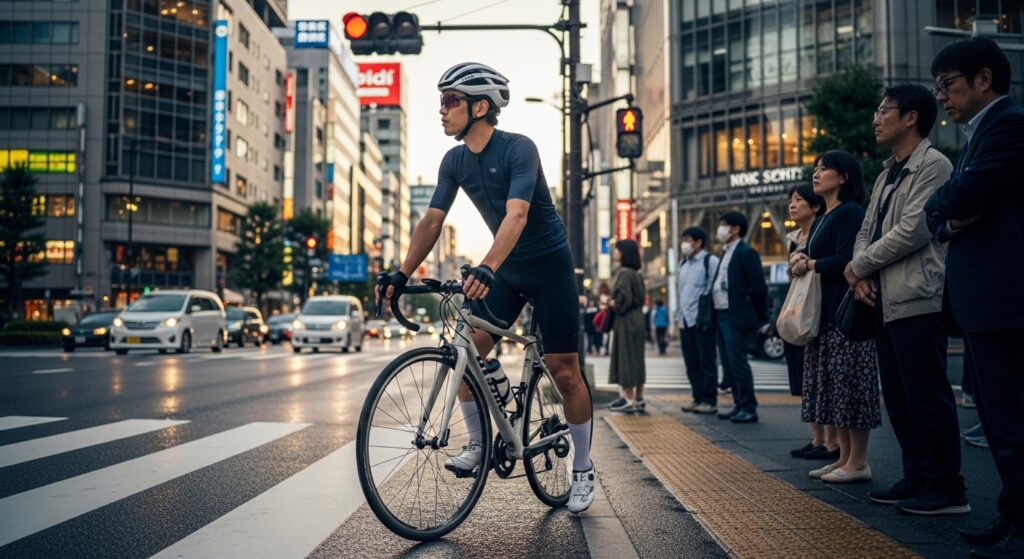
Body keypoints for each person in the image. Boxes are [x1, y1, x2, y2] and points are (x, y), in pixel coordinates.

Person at [379, 62, 595, 513]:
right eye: (440, 100)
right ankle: (480, 444)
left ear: (481, 107)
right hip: (506, 269)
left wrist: (487, 267)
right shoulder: (454, 160)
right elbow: (432, 220)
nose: (441, 109)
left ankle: (584, 467)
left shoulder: (519, 149)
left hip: (548, 265)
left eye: (450, 100)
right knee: (466, 351)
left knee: (565, 369)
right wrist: (401, 274)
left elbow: (516, 215)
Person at [843, 84, 968, 513]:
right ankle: (918, 477)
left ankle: (948, 487)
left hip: (916, 294)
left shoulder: (934, 165)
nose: (877, 119)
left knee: (926, 396)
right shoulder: (886, 173)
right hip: (883, 297)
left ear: (911, 117)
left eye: (884, 111)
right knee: (898, 397)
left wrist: (860, 267)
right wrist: (860, 270)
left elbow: (914, 230)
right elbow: (867, 229)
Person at [924, 37, 1024, 557]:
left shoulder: (1008, 125)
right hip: (985, 300)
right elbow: (945, 211)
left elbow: (954, 197)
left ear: (983, 79)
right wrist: (947, 217)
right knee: (997, 413)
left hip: (1002, 297)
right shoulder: (977, 134)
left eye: (947, 85)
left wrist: (946, 210)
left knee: (1011, 418)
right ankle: (1012, 514)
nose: (941, 96)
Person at [790, 150, 879, 484]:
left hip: (847, 316)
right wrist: (801, 258)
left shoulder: (849, 212)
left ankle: (858, 461)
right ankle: (844, 458)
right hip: (825, 315)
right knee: (836, 391)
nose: (816, 174)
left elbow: (847, 259)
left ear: (843, 177)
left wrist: (810, 263)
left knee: (851, 389)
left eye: (824, 169)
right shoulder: (826, 216)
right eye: (815, 168)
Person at [784, 184, 840, 462]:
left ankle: (832, 441)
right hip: (799, 312)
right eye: (791, 200)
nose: (792, 205)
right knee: (807, 378)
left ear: (815, 206)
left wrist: (804, 261)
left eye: (799, 200)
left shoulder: (822, 230)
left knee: (824, 377)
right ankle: (817, 437)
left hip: (821, 308)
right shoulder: (792, 238)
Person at [712, 211, 768, 424]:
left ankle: (748, 407)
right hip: (722, 314)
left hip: (736, 315)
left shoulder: (746, 252)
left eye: (724, 225)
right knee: (728, 362)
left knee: (738, 362)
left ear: (735, 229)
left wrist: (758, 317)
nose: (720, 229)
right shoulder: (725, 252)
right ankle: (739, 404)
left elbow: (758, 287)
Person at [676, 226, 721, 414]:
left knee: (706, 361)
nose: (684, 244)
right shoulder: (683, 264)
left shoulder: (710, 261)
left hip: (702, 319)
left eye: (687, 239)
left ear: (698, 242)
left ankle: (710, 400)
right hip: (685, 320)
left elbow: (714, 288)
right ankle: (698, 397)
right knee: (691, 362)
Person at [608, 240, 647, 413]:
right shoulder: (637, 274)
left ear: (624, 253)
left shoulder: (624, 274)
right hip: (637, 319)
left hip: (626, 320)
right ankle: (639, 397)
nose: (615, 252)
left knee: (626, 358)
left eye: (617, 249)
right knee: (637, 358)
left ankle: (629, 398)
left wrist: (609, 302)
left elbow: (623, 300)